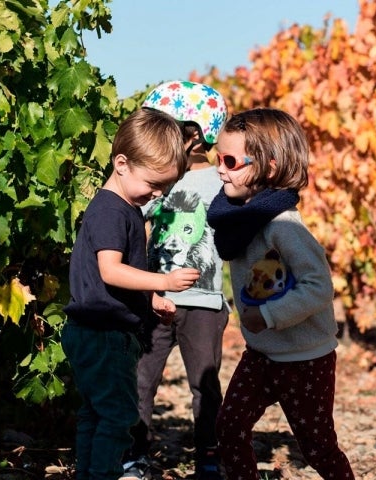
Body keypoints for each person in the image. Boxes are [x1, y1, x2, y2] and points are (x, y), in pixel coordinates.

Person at [207, 107, 355, 479]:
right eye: (217, 158)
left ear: (269, 169)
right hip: (262, 354)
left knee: (318, 447)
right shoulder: (238, 219)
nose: (220, 168)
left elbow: (319, 287)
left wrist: (269, 316)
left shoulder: (284, 228)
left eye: (230, 160)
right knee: (229, 428)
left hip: (306, 358)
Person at [62, 108, 200, 480]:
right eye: (154, 184)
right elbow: (110, 270)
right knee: (118, 415)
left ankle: (89, 473)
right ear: (121, 163)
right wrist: (163, 283)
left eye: (166, 189)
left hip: (95, 330)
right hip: (103, 334)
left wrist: (151, 301)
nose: (158, 194)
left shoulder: (124, 208)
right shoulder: (112, 211)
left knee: (97, 412)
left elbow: (112, 278)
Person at [121, 81, 229, 480]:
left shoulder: (220, 181)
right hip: (156, 298)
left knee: (205, 385)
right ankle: (134, 455)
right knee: (142, 379)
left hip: (205, 302)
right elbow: (142, 230)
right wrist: (147, 287)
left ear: (195, 134)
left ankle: (209, 458)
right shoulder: (159, 175)